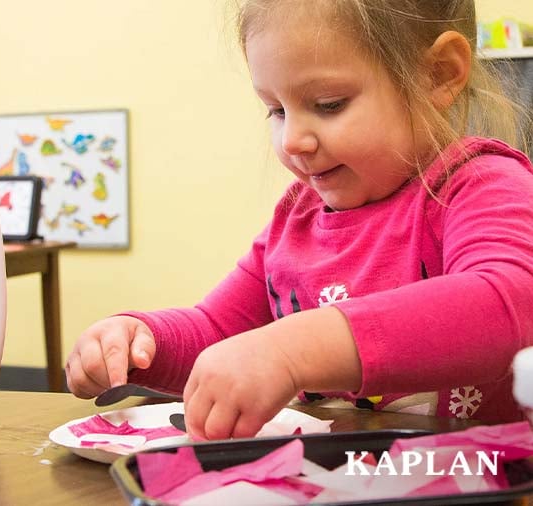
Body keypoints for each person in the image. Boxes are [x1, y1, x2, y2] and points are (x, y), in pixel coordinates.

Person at [65, 0, 533, 441]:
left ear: (438, 74)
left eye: (328, 104)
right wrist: (139, 344)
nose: (291, 140)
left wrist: (293, 348)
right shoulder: (298, 217)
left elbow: (507, 301)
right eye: (275, 109)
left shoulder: (478, 183)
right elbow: (221, 332)